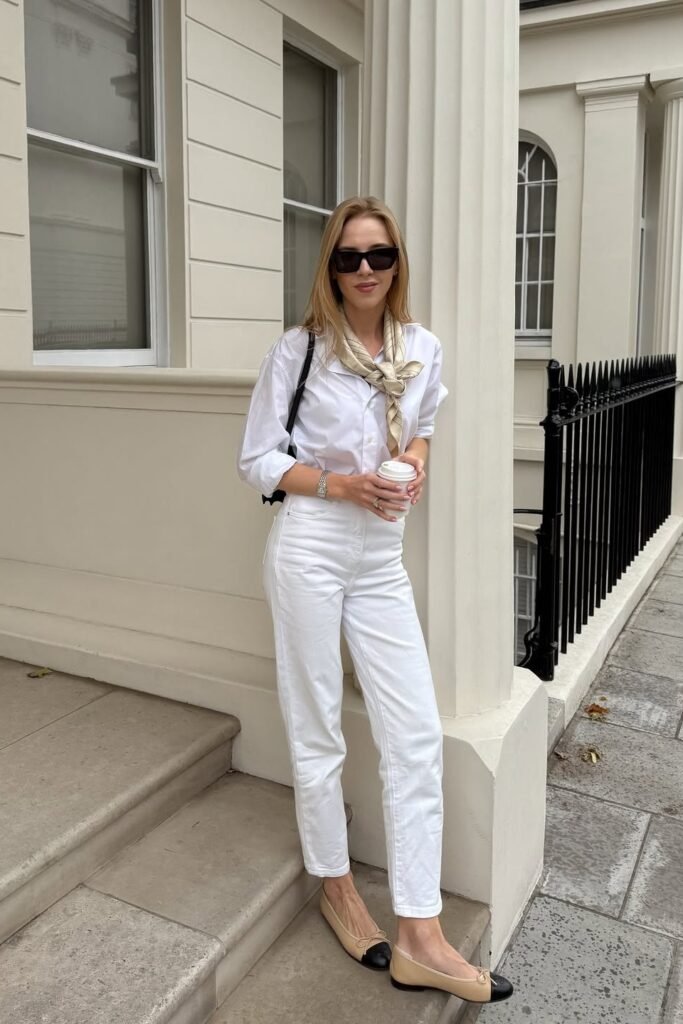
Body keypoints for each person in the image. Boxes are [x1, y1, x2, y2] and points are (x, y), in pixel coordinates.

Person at [237, 196, 512, 1004]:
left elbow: (421, 426)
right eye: (348, 257)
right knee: (317, 724)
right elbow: (256, 460)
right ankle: (335, 884)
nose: (364, 270)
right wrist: (341, 485)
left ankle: (420, 932)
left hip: (380, 556)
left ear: (397, 263)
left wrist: (413, 463)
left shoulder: (420, 348)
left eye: (379, 255)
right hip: (312, 545)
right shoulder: (299, 352)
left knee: (414, 734)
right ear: (329, 267)